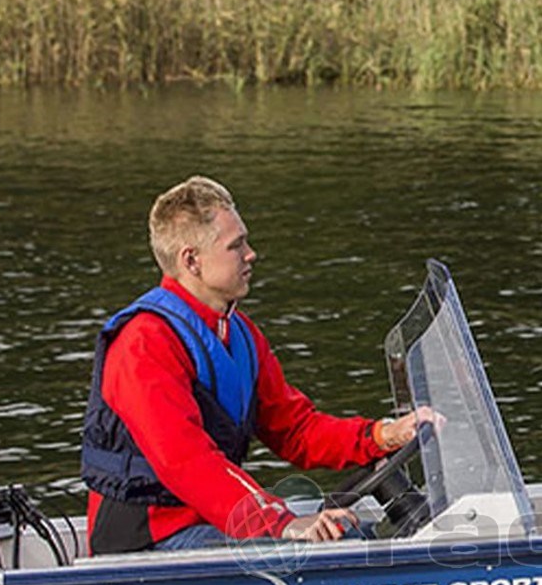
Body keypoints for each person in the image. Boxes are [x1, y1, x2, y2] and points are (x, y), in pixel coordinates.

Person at [79, 176, 427, 554]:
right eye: (236, 246)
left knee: (359, 536)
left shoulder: (238, 333)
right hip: (151, 541)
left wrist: (382, 435)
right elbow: (186, 461)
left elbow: (296, 430)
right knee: (338, 547)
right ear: (191, 260)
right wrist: (282, 523)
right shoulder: (143, 344)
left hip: (211, 521)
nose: (251, 254)